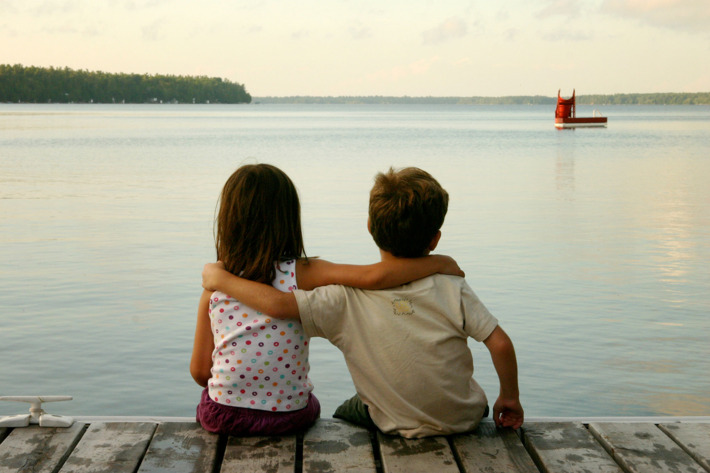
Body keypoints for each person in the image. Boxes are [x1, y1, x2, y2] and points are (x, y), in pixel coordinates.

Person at [201, 166, 524, 438]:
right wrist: (509, 398)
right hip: (463, 417)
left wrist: (220, 280)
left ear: (370, 227)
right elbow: (500, 343)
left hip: (389, 421)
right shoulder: (453, 287)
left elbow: (275, 310)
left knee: (348, 409)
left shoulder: (342, 299)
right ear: (435, 239)